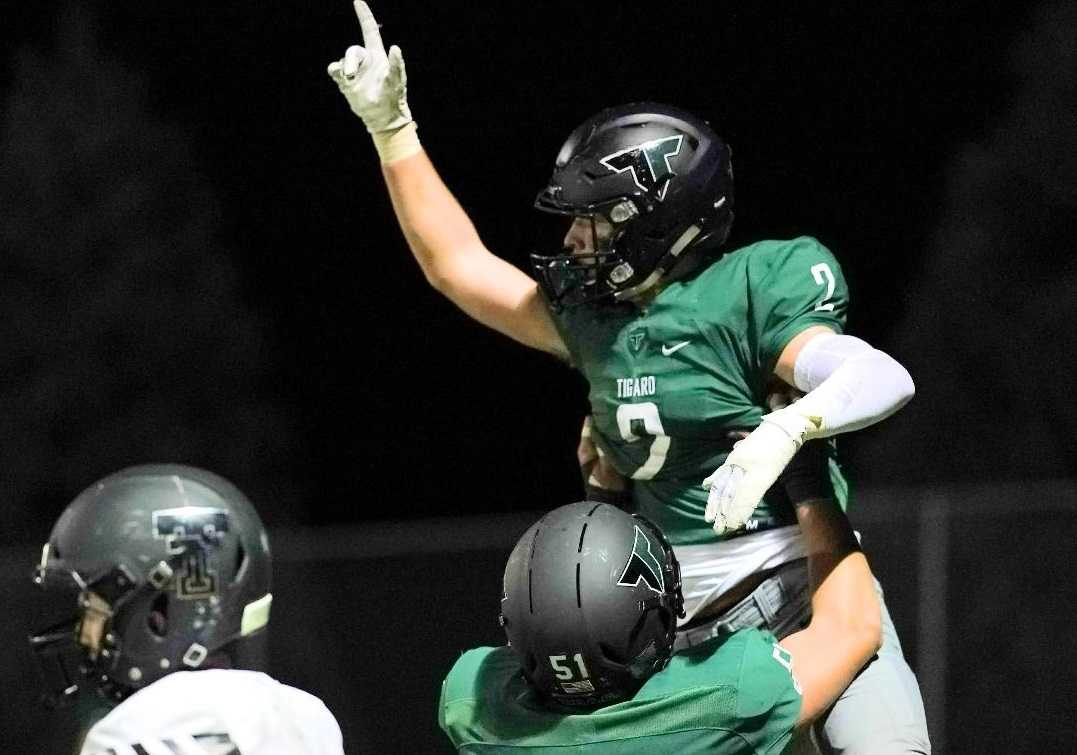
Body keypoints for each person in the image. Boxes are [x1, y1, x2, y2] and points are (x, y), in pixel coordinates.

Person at [327, 3, 929, 751]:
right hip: (660, 628)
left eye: (597, 217)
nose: (574, 237)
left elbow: (879, 377)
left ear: (659, 218)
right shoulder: (593, 319)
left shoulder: (749, 287)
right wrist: (394, 131)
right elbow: (457, 266)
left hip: (798, 588)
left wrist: (792, 422)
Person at [440, 497, 880, 753]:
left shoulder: (468, 707)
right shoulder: (726, 699)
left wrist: (602, 489)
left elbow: (569, 633)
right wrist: (812, 486)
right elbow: (852, 626)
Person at [29, 464, 344, 755]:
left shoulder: (127, 733)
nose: (85, 630)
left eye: (94, 606)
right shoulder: (306, 716)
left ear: (157, 615)